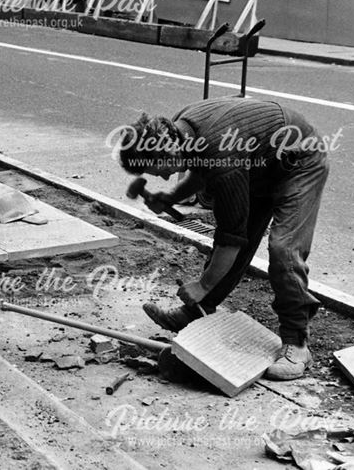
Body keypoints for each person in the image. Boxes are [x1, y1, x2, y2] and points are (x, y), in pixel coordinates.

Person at [118, 98, 330, 380]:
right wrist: (171, 198)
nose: (163, 176)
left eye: (158, 170)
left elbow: (231, 237)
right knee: (238, 238)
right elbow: (203, 172)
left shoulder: (221, 156)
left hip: (300, 162)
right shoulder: (181, 129)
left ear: (168, 151)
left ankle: (297, 343)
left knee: (283, 250)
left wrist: (203, 284)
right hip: (261, 163)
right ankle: (198, 311)